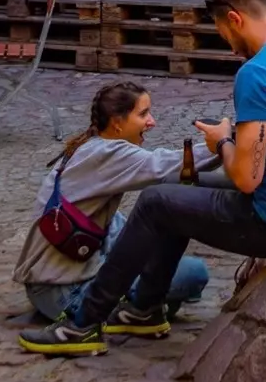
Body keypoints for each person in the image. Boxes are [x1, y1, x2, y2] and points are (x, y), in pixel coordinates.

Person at [20, 0, 266, 356]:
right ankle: (144, 309)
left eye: (222, 31)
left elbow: (246, 178)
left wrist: (222, 140)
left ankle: (82, 324)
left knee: (156, 202)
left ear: (235, 20)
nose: (227, 44)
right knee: (177, 198)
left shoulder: (257, 73)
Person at [15, 81, 211, 325]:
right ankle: (131, 310)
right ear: (117, 122)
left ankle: (144, 303)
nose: (152, 122)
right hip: (63, 293)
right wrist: (221, 145)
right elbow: (165, 165)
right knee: (193, 273)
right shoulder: (108, 153)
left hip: (50, 285)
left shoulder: (88, 146)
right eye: (143, 114)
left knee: (164, 263)